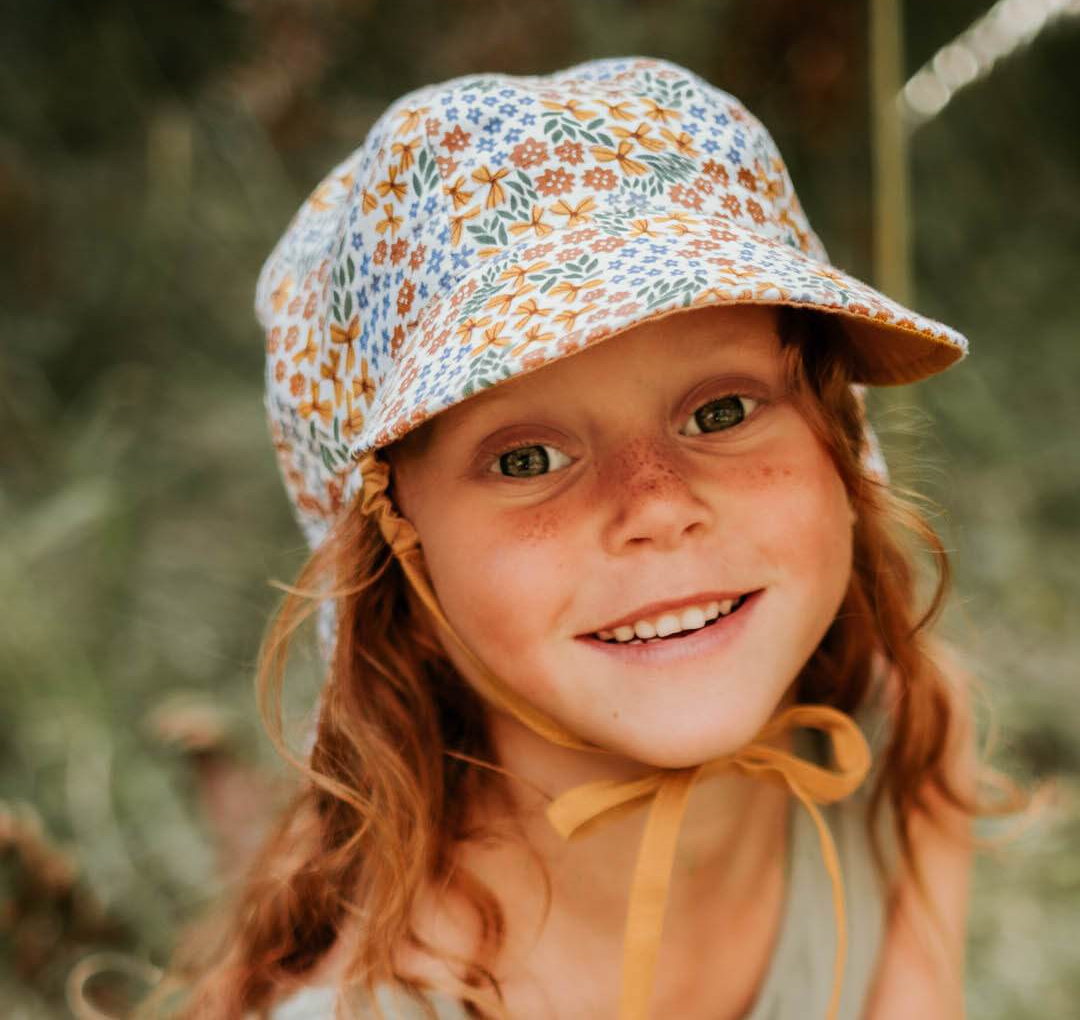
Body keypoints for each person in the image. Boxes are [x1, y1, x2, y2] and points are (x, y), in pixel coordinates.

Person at [163, 56, 1026, 1019]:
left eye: (722, 410)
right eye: (527, 459)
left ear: (841, 441)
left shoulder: (897, 742)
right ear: (400, 556)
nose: (655, 507)